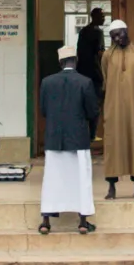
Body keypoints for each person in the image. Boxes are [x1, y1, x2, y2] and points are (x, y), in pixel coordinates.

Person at [37, 59, 105, 235]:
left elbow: (43, 110)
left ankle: (45, 222)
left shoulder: (47, 82)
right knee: (81, 179)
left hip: (54, 139)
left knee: (52, 179)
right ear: (76, 63)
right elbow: (92, 111)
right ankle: (82, 222)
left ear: (60, 63)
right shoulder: (85, 82)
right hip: (78, 139)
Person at [98, 19, 134, 200]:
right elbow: (106, 80)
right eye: (113, 36)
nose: (116, 39)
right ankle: (111, 187)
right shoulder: (107, 55)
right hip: (114, 108)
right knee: (114, 145)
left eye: (119, 34)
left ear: (127, 32)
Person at [73, 5, 107, 88]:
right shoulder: (98, 32)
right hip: (95, 72)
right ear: (95, 17)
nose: (104, 19)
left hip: (82, 70)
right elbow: (100, 53)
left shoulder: (83, 31)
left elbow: (79, 51)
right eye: (102, 16)